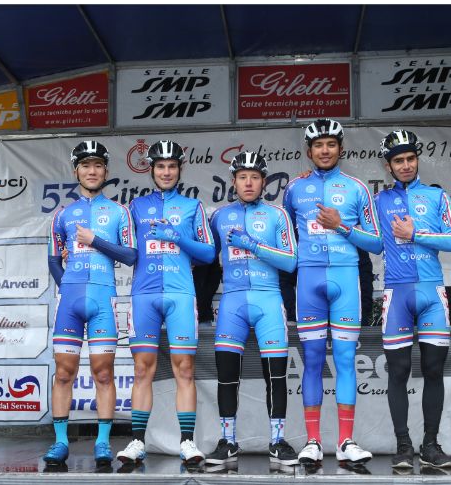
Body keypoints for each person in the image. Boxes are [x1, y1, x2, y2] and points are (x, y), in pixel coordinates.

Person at [282, 119, 382, 465]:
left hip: (346, 279)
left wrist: (341, 226)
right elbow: (285, 239)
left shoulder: (356, 188)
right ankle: (312, 441)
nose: (325, 151)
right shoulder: (294, 189)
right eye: (318, 145)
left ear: (341, 148)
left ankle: (345, 442)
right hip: (309, 281)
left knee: (344, 361)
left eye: (331, 144)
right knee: (311, 361)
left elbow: (377, 242)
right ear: (308, 151)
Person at [116, 140, 216, 465]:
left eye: (172, 166)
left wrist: (177, 237)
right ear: (152, 169)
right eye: (161, 166)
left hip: (180, 295)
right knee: (142, 369)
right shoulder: (135, 207)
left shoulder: (192, 207)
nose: (167, 172)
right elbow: (125, 251)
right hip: (144, 295)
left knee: (184, 368)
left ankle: (187, 442)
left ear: (180, 169)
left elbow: (208, 253)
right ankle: (137, 441)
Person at [44, 141, 138, 468]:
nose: (92, 171)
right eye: (86, 165)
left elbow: (131, 255)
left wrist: (94, 240)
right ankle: (60, 442)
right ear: (76, 172)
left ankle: (102, 443)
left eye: (98, 165)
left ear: (106, 171)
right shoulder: (63, 215)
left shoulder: (119, 212)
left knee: (103, 373)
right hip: (70, 300)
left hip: (102, 298)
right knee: (63, 373)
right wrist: (67, 286)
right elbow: (53, 259)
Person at [376, 129, 451, 470]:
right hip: (396, 293)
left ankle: (430, 445)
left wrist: (416, 234)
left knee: (433, 369)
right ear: (388, 166)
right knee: (398, 371)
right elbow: (371, 242)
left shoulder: (436, 196)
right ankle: (403, 446)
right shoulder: (379, 201)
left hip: (432, 292)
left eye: (410, 158)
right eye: (398, 160)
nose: (406, 165)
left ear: (417, 159)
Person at [205, 151, 299, 467]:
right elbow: (206, 260)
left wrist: (253, 245)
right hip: (232, 301)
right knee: (227, 376)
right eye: (242, 177)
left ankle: (278, 441)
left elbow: (291, 261)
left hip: (268, 299)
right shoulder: (219, 216)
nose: (248, 182)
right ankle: (227, 441)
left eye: (255, 177)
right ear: (233, 182)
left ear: (264, 182)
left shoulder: (277, 215)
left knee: (276, 375)